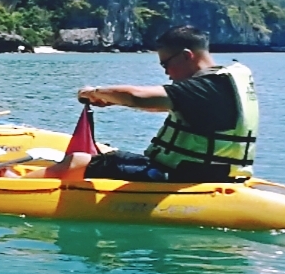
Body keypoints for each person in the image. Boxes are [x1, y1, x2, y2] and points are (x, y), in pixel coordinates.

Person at [33, 26, 258, 183]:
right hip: (207, 171)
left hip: (183, 176)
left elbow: (137, 96)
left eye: (166, 64)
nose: (167, 73)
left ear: (187, 56)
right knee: (108, 156)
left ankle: (11, 183)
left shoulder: (204, 87)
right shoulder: (220, 82)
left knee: (77, 161)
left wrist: (94, 92)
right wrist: (110, 101)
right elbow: (160, 105)